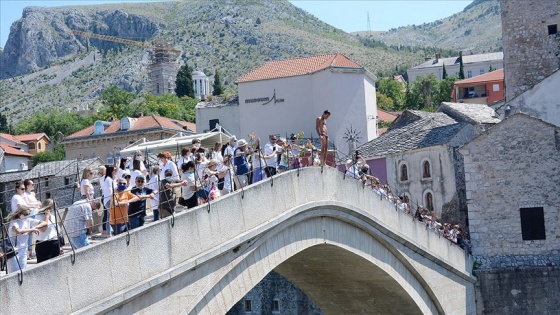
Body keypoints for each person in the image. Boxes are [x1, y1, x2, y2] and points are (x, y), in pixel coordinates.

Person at [5, 205, 46, 273]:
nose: (27, 216)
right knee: (14, 272)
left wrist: (35, 228)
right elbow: (18, 231)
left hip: (24, 250)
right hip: (14, 251)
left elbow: (43, 223)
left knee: (23, 271)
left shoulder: (28, 220)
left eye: (29, 214)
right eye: (25, 214)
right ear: (19, 214)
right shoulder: (14, 222)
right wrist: (32, 229)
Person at [34, 199, 63, 263]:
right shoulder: (38, 216)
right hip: (44, 244)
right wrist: (46, 216)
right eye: (51, 208)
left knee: (56, 265)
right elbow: (42, 230)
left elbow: (57, 231)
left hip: (55, 242)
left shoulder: (53, 216)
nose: (52, 210)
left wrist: (60, 246)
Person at [23, 179, 41, 259]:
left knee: (35, 232)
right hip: (31, 215)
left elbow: (36, 202)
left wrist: (38, 203)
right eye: (32, 184)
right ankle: (29, 252)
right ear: (27, 186)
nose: (33, 185)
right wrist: (36, 204)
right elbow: (26, 204)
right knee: (30, 233)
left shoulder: (32, 194)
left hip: (36, 214)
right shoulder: (25, 194)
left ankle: (32, 251)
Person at [101, 166, 116, 235]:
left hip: (107, 200)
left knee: (109, 217)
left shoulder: (107, 179)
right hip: (109, 200)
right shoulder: (109, 179)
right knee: (113, 216)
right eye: (114, 170)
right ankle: (113, 231)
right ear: (111, 171)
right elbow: (110, 191)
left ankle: (108, 233)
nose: (115, 172)